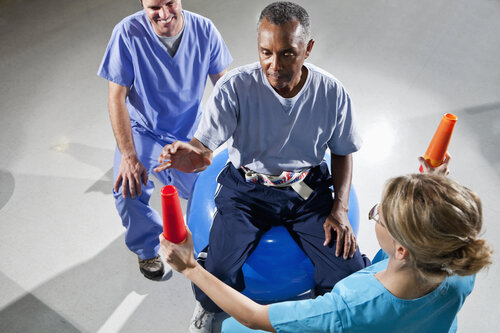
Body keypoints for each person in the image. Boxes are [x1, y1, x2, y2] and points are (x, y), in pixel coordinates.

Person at [155, 2, 369, 331]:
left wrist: (339, 208)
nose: (274, 65)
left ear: (307, 49)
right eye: (265, 52)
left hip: (306, 189)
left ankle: (325, 310)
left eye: (287, 54)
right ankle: (211, 308)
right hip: (246, 191)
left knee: (347, 267)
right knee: (219, 268)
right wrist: (193, 155)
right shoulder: (235, 88)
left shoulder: (331, 93)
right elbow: (203, 150)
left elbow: (342, 152)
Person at [160, 156, 493, 332]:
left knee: (233, 329)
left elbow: (256, 317)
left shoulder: (349, 308)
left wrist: (190, 267)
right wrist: (433, 190)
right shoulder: (457, 264)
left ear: (402, 250)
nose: (374, 216)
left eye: (379, 215)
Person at [97, 0, 232, 280]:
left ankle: (210, 249)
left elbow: (225, 89)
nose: (164, 14)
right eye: (154, 7)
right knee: (127, 188)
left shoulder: (204, 30)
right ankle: (146, 249)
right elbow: (116, 97)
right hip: (144, 129)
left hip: (191, 131)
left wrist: (227, 140)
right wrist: (129, 157)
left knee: (214, 192)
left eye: (170, 3)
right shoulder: (127, 33)